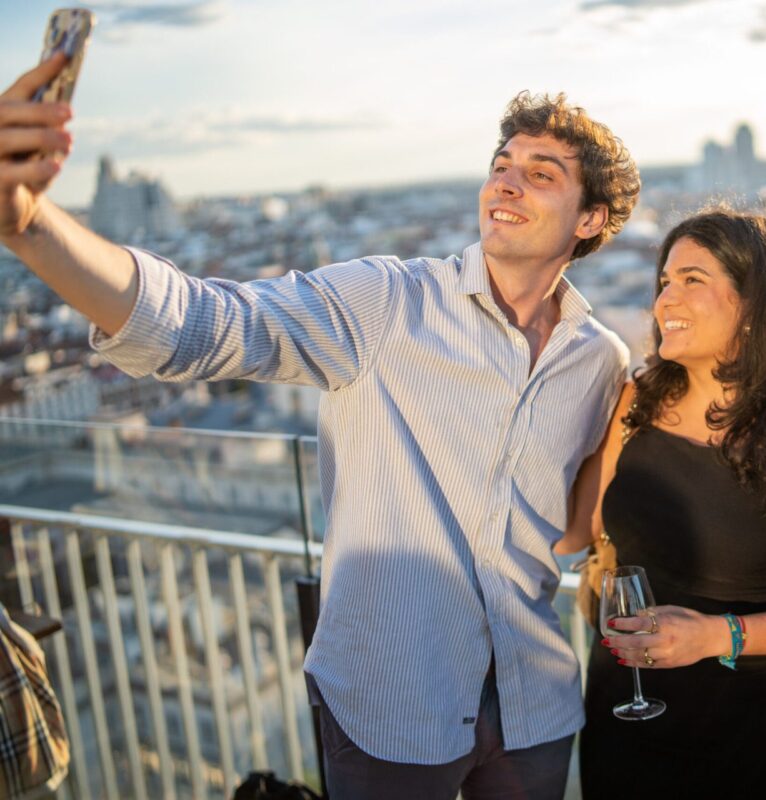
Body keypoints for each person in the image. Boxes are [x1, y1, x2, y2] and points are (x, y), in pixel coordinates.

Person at [0, 55, 642, 799]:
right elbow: (204, 322)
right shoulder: (387, 303)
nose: (505, 182)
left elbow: (566, 529)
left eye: (541, 174)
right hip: (393, 706)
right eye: (501, 165)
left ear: (590, 220)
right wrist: (30, 225)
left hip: (534, 702)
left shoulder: (598, 358)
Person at [556, 209, 766, 798]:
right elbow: (576, 530)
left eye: (692, 279)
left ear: (755, 304)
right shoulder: (636, 401)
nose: (665, 300)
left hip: (747, 730)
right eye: (664, 281)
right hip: (623, 709)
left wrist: (713, 637)